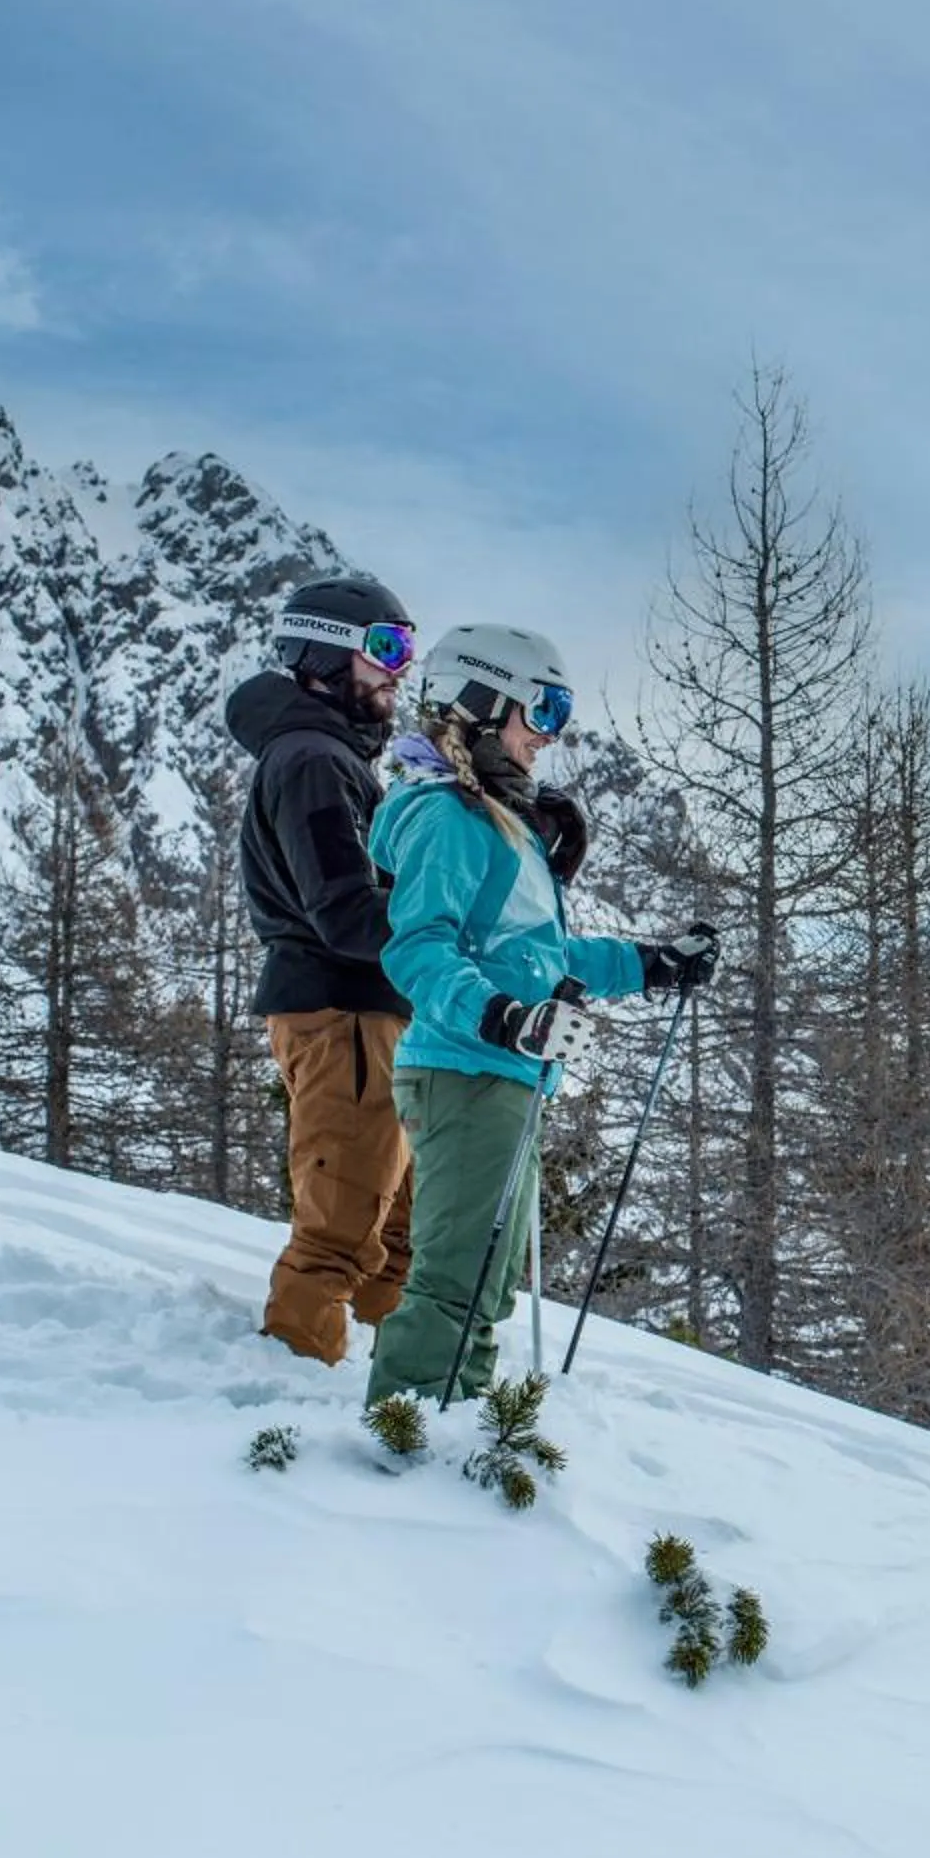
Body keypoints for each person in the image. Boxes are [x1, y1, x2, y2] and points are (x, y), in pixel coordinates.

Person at [362, 623, 717, 1407]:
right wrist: (502, 1018)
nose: (547, 738)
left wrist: (653, 963)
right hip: (465, 1069)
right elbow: (418, 949)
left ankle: (450, 1431)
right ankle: (400, 1446)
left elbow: (544, 955)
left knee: (487, 1288)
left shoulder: (501, 823)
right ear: (483, 703)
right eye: (541, 711)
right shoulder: (448, 819)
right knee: (455, 1282)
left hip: (508, 1074)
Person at [226, 574, 424, 1365]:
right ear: (324, 650)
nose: (396, 671)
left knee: (396, 1226)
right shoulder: (312, 760)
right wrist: (444, 939)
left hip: (371, 1011)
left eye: (406, 650)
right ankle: (295, 1390)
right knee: (341, 1227)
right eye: (385, 648)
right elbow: (343, 910)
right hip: (340, 1011)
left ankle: (395, 1380)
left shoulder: (335, 756)